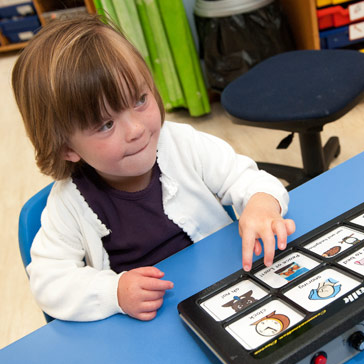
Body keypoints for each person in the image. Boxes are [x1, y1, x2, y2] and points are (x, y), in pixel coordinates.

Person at [12, 15, 295, 322]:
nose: (135, 129)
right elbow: (48, 281)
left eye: (140, 100)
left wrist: (261, 206)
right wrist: (114, 292)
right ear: (67, 147)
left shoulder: (182, 143)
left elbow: (246, 178)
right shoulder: (69, 203)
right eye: (106, 124)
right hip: (144, 325)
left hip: (229, 292)